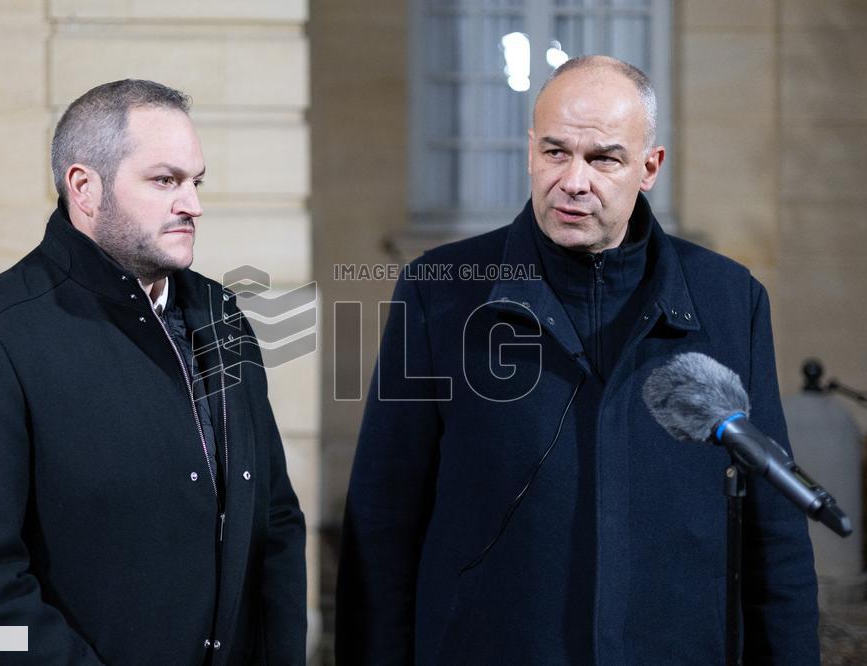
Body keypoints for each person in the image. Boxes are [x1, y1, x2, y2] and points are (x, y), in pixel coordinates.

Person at [337, 56, 819, 664]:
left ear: (650, 167)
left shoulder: (731, 300)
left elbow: (773, 530)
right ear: (529, 150)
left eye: (604, 159)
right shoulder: (438, 291)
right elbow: (383, 518)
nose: (573, 180)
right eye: (556, 152)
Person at [0, 79, 306, 665]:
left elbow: (274, 520)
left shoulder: (221, 316)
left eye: (196, 181)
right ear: (84, 188)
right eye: (165, 180)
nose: (193, 204)